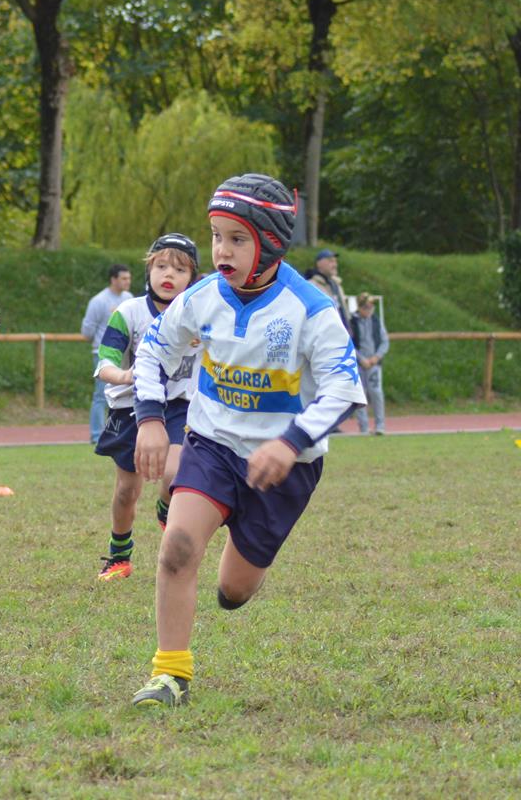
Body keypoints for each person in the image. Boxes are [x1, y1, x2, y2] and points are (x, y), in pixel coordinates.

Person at [129, 174, 363, 708]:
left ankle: (239, 549)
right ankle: (169, 674)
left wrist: (290, 442)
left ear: (272, 242)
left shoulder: (310, 308)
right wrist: (150, 419)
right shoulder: (201, 296)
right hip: (211, 445)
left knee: (234, 591)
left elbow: (344, 390)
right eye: (216, 236)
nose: (222, 251)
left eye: (237, 239)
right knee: (177, 549)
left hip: (285, 468)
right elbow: (153, 351)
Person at [92, 234, 200, 582]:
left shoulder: (201, 315)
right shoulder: (129, 312)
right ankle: (119, 556)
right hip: (130, 409)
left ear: (192, 278)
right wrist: (125, 375)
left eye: (180, 269)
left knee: (174, 475)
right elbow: (105, 363)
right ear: (148, 270)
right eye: (161, 266)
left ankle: (167, 508)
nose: (169, 274)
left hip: (178, 407)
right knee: (128, 491)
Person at [81, 264, 133, 445]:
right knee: (101, 395)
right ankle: (96, 435)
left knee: (124, 394)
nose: (128, 282)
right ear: (113, 279)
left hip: (126, 355)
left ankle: (120, 433)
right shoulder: (99, 301)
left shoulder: (129, 299)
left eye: (129, 278)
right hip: (103, 354)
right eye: (124, 278)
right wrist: (100, 342)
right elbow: (87, 330)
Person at [350, 293, 388, 434]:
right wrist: (361, 359)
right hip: (358, 364)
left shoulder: (377, 322)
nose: (369, 310)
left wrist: (376, 357)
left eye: (371, 307)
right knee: (359, 395)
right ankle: (364, 427)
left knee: (376, 392)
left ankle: (380, 426)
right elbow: (349, 343)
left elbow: (384, 341)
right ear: (360, 307)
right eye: (366, 307)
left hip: (374, 364)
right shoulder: (352, 323)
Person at [307, 249, 347, 323]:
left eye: (335, 261)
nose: (335, 265)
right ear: (319, 264)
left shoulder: (337, 286)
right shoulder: (311, 286)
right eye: (330, 261)